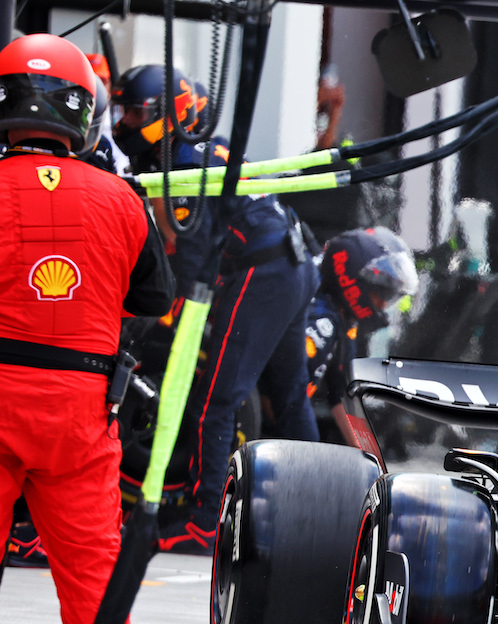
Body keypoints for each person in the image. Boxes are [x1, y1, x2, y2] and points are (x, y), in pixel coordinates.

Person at [0, 34, 174, 624]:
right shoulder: (122, 198)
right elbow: (155, 298)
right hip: (79, 411)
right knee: (95, 577)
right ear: (84, 111)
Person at [112, 64, 321, 555]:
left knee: (214, 402)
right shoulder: (201, 148)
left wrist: (135, 321)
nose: (122, 123)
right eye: (121, 112)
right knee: (290, 398)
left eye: (133, 113)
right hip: (294, 262)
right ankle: (319, 518)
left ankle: (206, 524)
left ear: (169, 114)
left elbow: (186, 270)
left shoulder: (184, 172)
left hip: (262, 272)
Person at [306, 227, 419, 445]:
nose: (383, 305)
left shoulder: (344, 318)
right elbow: (282, 393)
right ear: (354, 276)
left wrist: (369, 456)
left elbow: (342, 392)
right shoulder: (317, 315)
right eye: (382, 293)